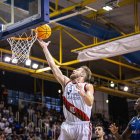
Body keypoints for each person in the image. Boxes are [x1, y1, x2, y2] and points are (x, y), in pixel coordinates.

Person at [38, 40, 94, 140]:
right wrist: (44, 48)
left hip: (83, 125)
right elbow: (53, 66)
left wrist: (82, 93)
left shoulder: (87, 86)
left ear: (82, 75)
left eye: (77, 70)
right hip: (68, 125)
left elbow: (90, 102)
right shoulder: (66, 82)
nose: (73, 70)